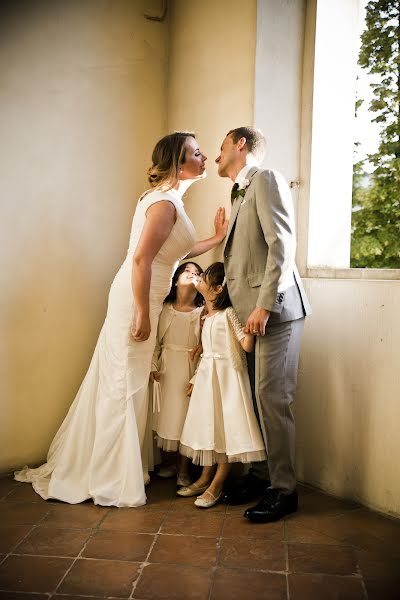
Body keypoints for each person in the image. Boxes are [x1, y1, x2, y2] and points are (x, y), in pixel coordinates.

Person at [15, 131, 228, 507]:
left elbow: (174, 252)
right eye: (197, 152)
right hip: (135, 299)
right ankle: (109, 475)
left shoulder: (169, 201)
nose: (205, 156)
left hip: (141, 295)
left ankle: (117, 466)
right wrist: (144, 313)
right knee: (123, 383)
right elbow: (142, 260)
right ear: (180, 163)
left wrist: (215, 238)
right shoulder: (163, 204)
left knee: (128, 383)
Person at [215, 126, 312, 522]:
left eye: (220, 147)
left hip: (275, 312)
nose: (217, 154)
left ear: (241, 145)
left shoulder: (266, 179)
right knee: (256, 399)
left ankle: (284, 490)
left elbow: (282, 245)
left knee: (273, 399)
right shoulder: (238, 190)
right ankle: (259, 476)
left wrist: (264, 306)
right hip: (249, 317)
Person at [177, 262, 266, 508]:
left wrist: (251, 326)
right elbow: (207, 351)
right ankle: (205, 477)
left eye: (204, 277)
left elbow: (245, 345)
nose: (199, 279)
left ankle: (217, 483)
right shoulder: (206, 316)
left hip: (227, 379)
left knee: (225, 430)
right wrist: (196, 379)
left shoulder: (228, 314)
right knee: (210, 428)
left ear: (217, 289)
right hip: (208, 378)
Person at [150, 261, 204, 487]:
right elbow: (155, 343)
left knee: (184, 417)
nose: (192, 274)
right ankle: (169, 463)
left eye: (197, 273)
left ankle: (184, 469)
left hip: (188, 368)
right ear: (176, 278)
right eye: (187, 271)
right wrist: (153, 366)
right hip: (167, 368)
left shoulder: (202, 313)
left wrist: (197, 377)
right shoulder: (165, 310)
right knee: (165, 416)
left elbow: (206, 349)